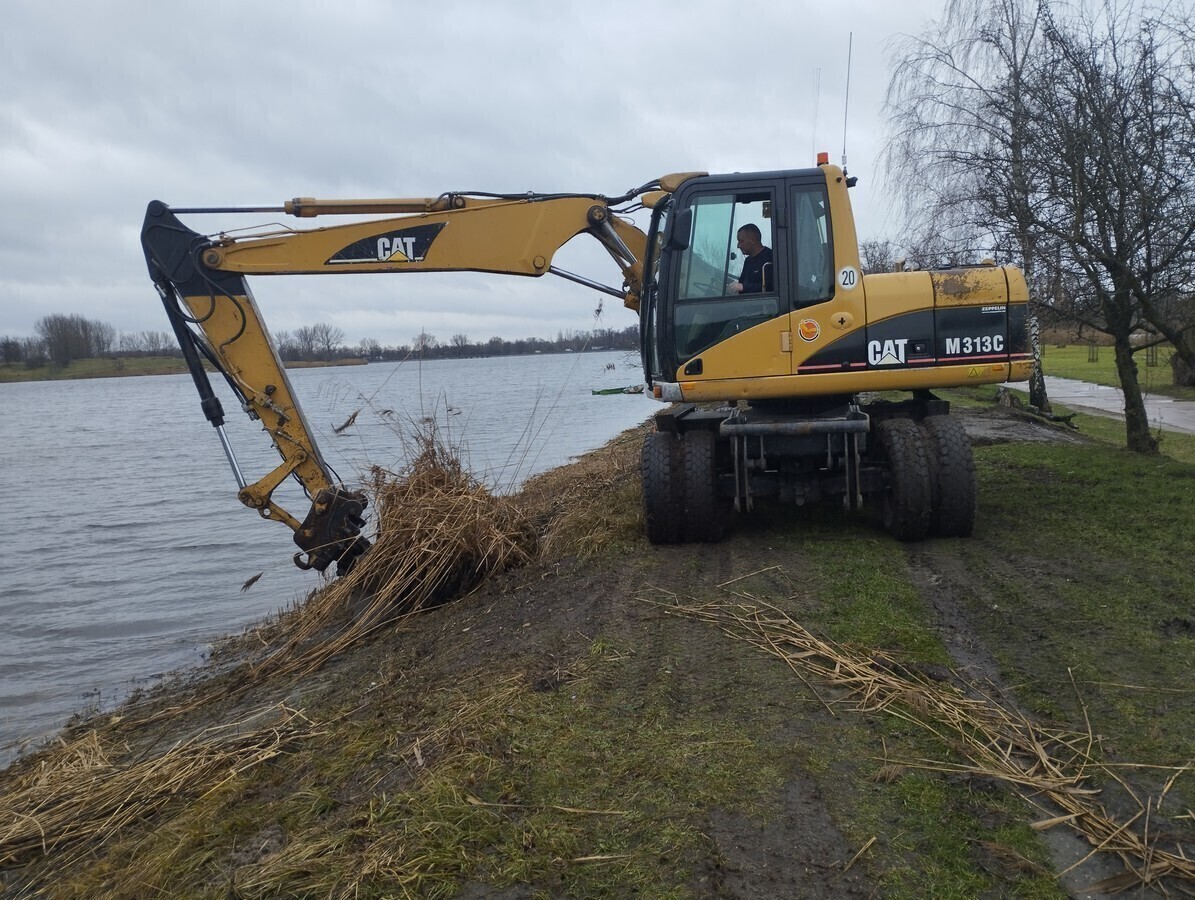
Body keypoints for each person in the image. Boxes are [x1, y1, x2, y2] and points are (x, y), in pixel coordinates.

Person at [728, 224, 773, 294]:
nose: (738, 246)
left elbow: (771, 287)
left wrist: (743, 287)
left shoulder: (771, 257)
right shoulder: (748, 261)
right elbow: (741, 285)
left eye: (741, 241)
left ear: (752, 240)